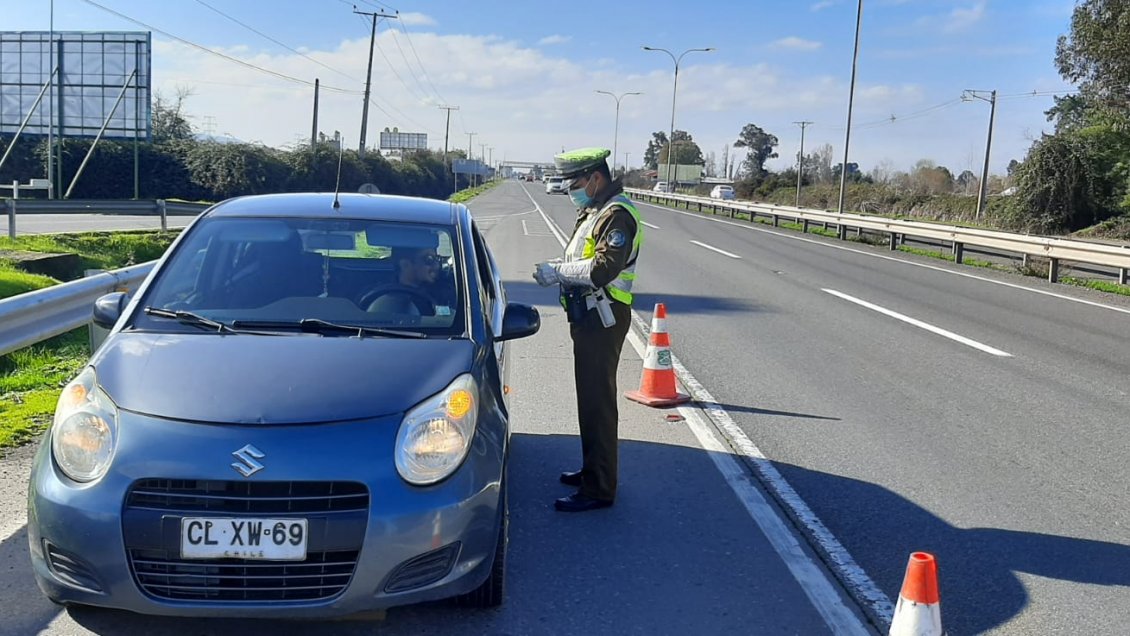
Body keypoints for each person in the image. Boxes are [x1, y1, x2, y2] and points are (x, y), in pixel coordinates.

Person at [532, 147, 644, 512]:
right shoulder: (596, 211)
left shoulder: (617, 215)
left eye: (576, 183)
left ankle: (599, 488)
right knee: (589, 400)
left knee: (598, 404)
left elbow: (601, 270)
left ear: (596, 178)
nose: (571, 190)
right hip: (589, 316)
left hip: (604, 316)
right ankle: (592, 470)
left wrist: (556, 272)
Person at [366, 244, 448, 315]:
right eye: (429, 260)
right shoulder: (376, 295)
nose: (436, 266)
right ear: (405, 265)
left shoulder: (444, 293)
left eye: (437, 259)